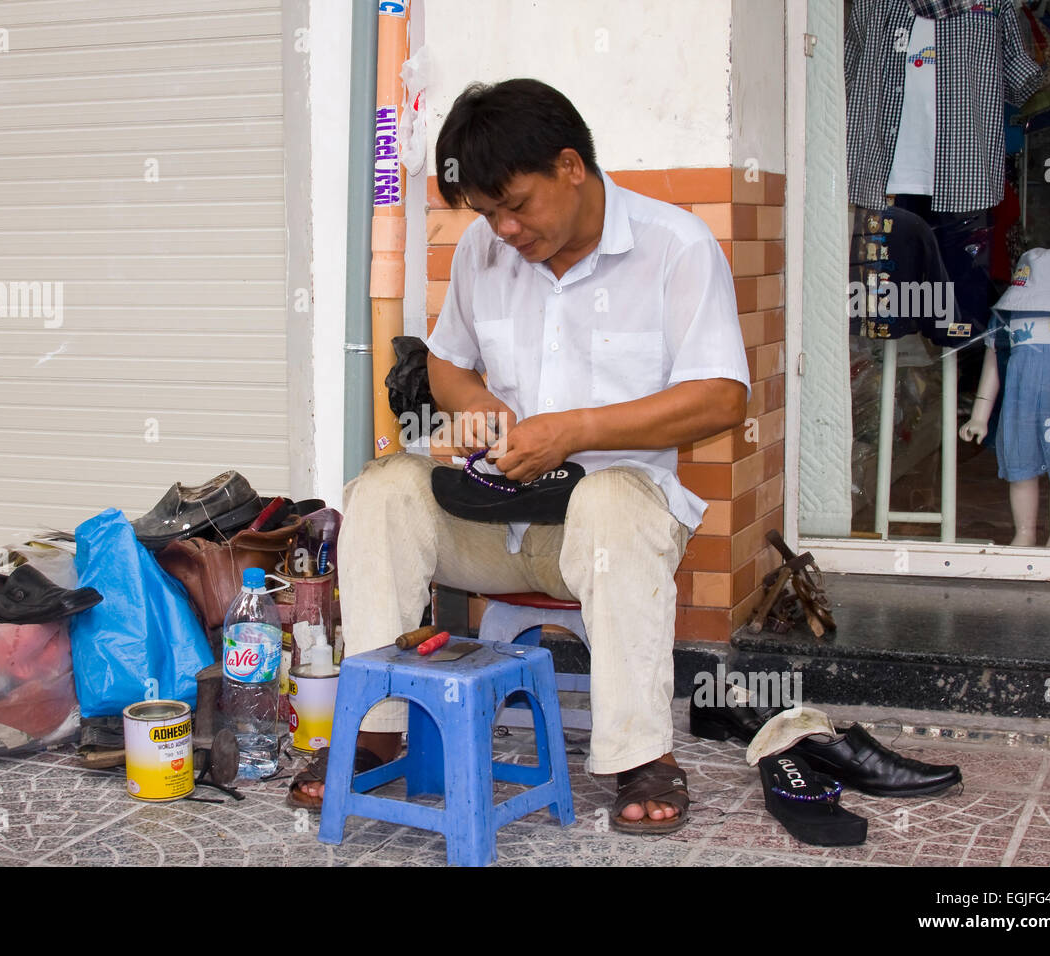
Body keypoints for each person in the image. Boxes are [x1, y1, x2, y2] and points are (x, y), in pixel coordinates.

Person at [290, 78, 750, 833]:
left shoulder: (677, 248)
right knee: (381, 490)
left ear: (571, 166)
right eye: (486, 212)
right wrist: (475, 408)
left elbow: (722, 400)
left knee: (608, 501)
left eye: (516, 205)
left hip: (607, 528)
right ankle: (373, 730)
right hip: (494, 525)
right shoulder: (483, 251)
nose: (503, 228)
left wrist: (575, 431)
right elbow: (445, 364)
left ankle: (641, 756)